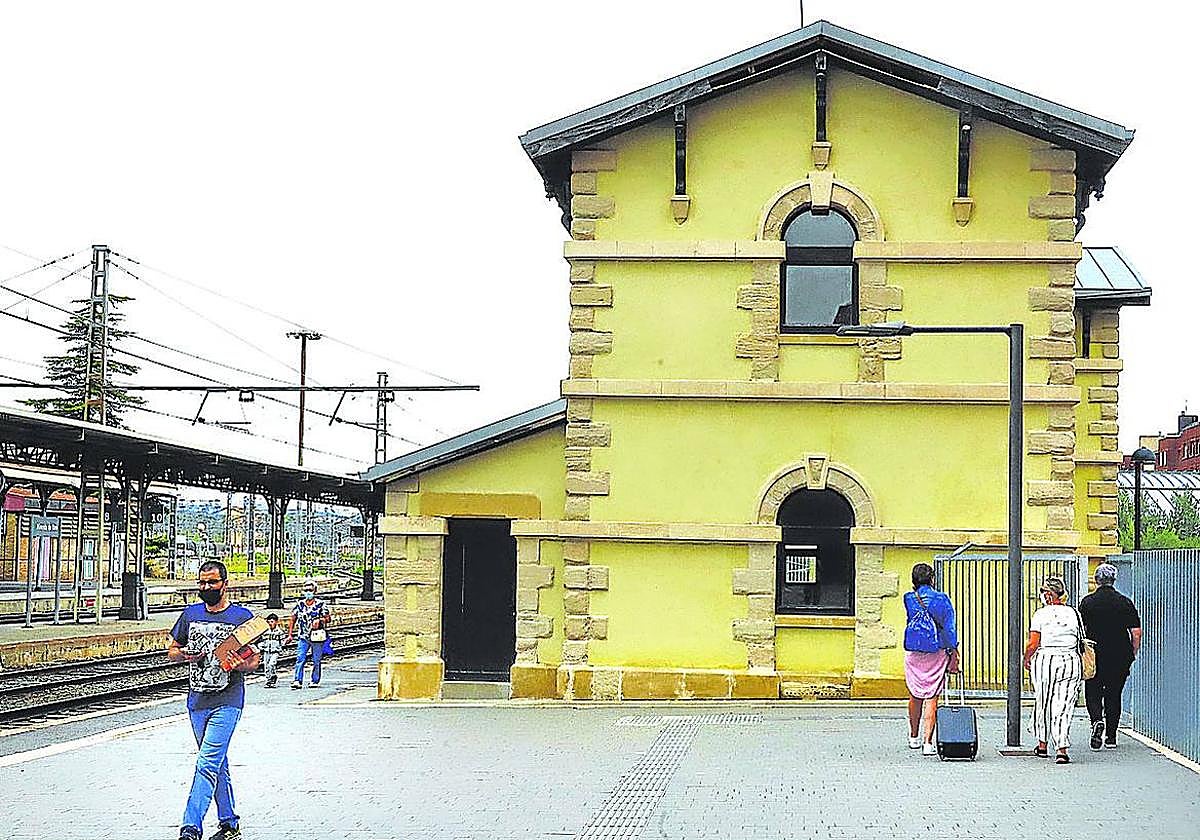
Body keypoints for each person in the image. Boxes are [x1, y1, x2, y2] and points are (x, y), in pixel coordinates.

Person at [167, 560, 260, 840]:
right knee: (216, 762)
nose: (206, 587)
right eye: (202, 583)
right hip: (196, 702)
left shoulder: (241, 617)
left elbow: (254, 659)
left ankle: (190, 827)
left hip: (228, 701)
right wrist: (185, 655)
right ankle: (229, 823)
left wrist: (238, 664)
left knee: (206, 763)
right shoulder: (190, 614)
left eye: (212, 582)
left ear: (225, 584)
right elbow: (172, 649)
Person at [1079, 562, 1142, 750]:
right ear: (1114, 580)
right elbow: (1136, 632)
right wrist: (1132, 653)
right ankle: (1111, 737)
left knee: (1093, 691)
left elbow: (1081, 630)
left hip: (1094, 655)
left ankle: (1097, 721)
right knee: (1114, 694)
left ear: (1096, 580)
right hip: (1119, 655)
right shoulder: (1125, 602)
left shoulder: (1087, 602)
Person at [1023, 576, 1082, 764]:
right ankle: (1061, 748)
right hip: (1070, 659)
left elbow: (1033, 643)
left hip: (1046, 658)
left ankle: (1042, 744)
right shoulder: (1074, 613)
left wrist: (1026, 658)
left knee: (1043, 700)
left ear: (1048, 594)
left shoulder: (1040, 614)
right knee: (1064, 704)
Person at [902, 562, 959, 756]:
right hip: (937, 650)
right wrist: (954, 649)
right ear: (932, 579)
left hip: (914, 650)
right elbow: (949, 627)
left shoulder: (909, 598)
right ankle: (928, 743)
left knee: (915, 694)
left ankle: (913, 736)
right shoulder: (942, 599)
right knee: (932, 696)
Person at [287, 579, 331, 689]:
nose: (308, 592)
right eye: (306, 590)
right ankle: (297, 680)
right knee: (300, 658)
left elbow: (328, 619)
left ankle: (315, 680)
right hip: (303, 636)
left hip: (316, 637)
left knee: (316, 659)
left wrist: (320, 620)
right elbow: (293, 619)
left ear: (315, 591)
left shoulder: (321, 605)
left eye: (310, 590)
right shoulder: (300, 605)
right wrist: (290, 634)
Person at [259, 613, 284, 688]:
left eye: (272, 622)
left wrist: (280, 648)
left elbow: (282, 641)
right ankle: (269, 680)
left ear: (276, 622)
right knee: (266, 666)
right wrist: (261, 646)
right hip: (266, 650)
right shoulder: (265, 631)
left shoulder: (279, 632)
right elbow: (262, 640)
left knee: (271, 664)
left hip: (275, 651)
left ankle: (273, 676)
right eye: (269, 622)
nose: (270, 624)